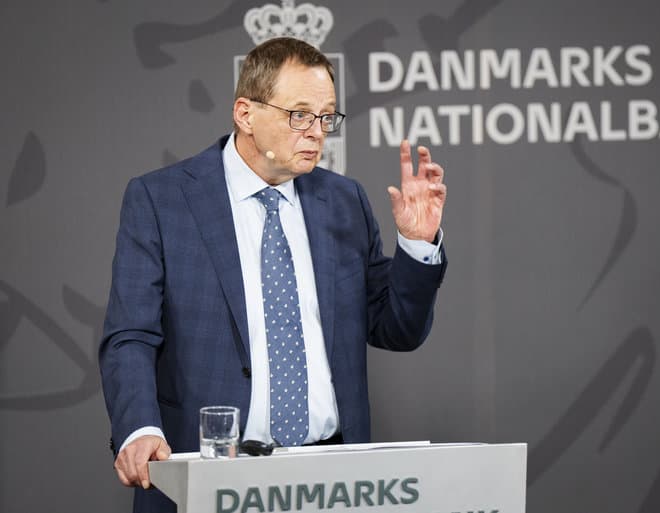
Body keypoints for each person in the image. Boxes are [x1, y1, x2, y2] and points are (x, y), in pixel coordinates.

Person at [99, 36, 447, 512]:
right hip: (209, 475)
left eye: (326, 117)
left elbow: (397, 330)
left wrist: (417, 244)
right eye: (299, 115)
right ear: (246, 114)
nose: (317, 132)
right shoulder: (162, 200)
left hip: (333, 482)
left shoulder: (344, 200)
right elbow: (131, 335)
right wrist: (139, 427)